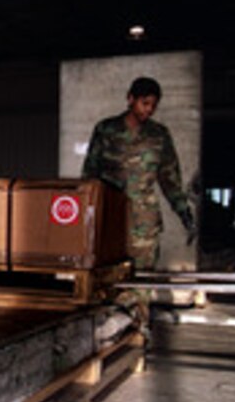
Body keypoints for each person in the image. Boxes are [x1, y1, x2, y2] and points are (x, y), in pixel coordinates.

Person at [81, 76, 194, 271]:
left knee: (142, 277)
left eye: (153, 105)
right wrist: (86, 212)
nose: (149, 109)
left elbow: (170, 178)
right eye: (145, 103)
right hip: (111, 216)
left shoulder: (159, 135)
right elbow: (90, 174)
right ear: (130, 99)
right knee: (109, 275)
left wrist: (184, 212)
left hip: (144, 222)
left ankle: (139, 303)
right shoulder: (106, 130)